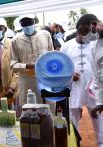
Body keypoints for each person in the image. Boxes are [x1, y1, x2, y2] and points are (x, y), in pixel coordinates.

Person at [60, 14, 103, 147]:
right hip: (74, 88)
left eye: (90, 32)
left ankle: (100, 142)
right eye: (85, 31)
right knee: (73, 118)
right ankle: (75, 142)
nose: (87, 34)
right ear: (79, 29)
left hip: (93, 89)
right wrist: (69, 75)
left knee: (98, 118)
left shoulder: (96, 45)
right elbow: (61, 68)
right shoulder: (66, 46)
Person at [10, 15, 53, 107]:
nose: (27, 26)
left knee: (48, 110)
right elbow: (12, 64)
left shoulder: (45, 35)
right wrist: (26, 66)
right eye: (24, 24)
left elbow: (51, 56)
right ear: (20, 24)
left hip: (46, 80)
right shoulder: (15, 41)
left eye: (29, 22)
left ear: (34, 21)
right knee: (30, 112)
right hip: (27, 83)